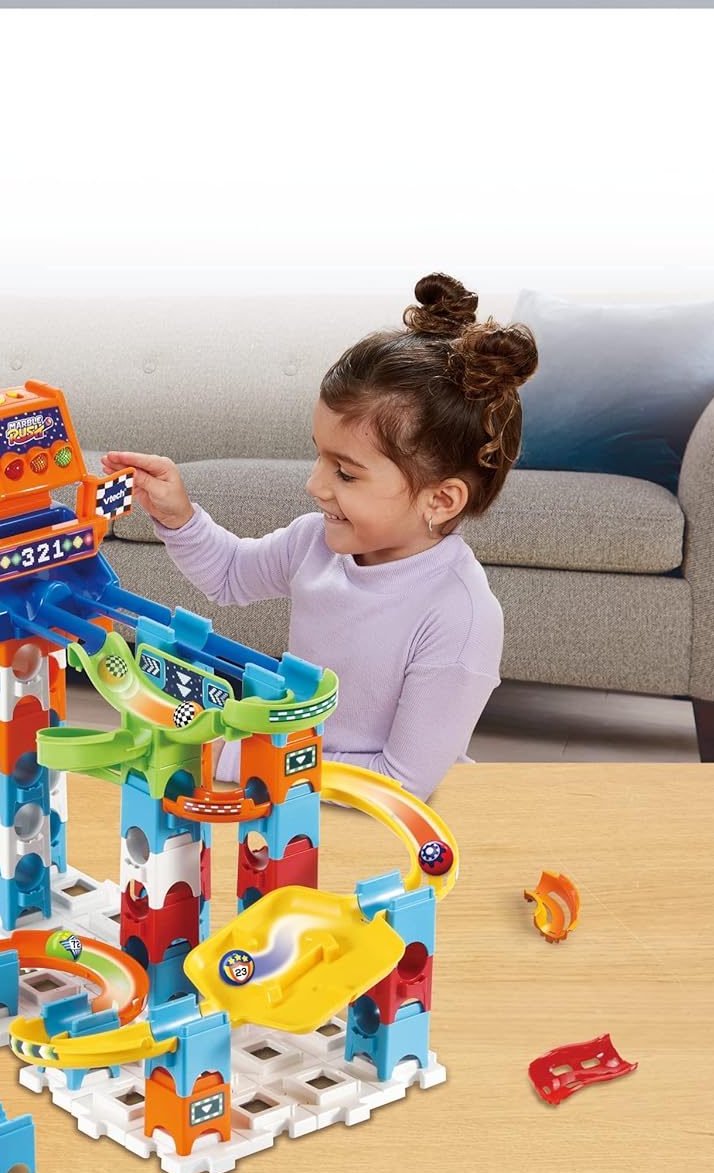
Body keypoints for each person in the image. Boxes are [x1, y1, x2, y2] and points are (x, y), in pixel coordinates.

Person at [102, 273, 538, 801]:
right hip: (290, 783)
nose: (314, 485)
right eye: (320, 456)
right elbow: (229, 575)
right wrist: (179, 516)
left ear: (440, 500)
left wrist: (234, 758)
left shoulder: (459, 617)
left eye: (346, 473)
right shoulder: (314, 543)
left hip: (377, 817)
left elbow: (401, 784)